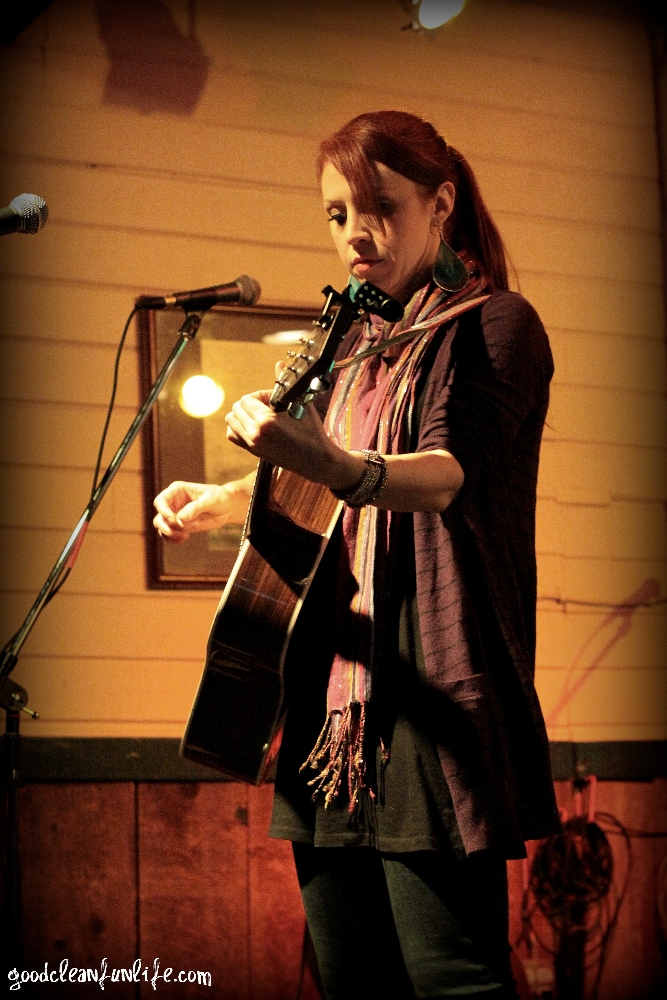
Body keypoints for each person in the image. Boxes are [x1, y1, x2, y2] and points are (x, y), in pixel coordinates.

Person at [153, 111, 561, 999]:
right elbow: (325, 476)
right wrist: (222, 498)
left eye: (378, 207)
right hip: (329, 703)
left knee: (452, 981)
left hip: (429, 696)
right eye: (336, 214)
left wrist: (331, 463)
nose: (353, 234)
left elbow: (444, 474)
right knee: (353, 981)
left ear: (440, 204)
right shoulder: (355, 343)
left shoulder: (496, 324)